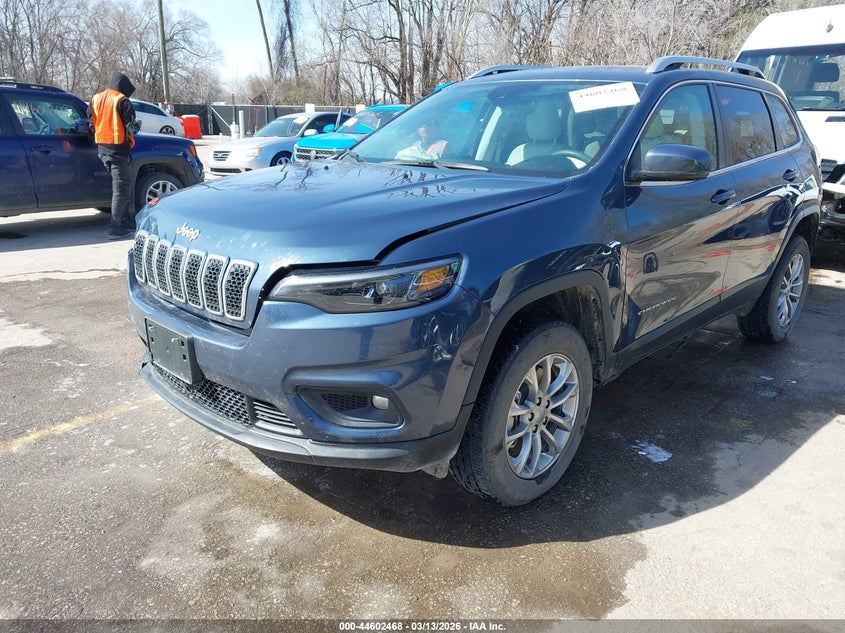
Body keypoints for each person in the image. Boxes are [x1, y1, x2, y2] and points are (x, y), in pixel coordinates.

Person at [89, 72, 140, 240]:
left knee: (121, 187)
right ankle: (115, 228)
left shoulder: (96, 99)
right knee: (122, 188)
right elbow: (132, 128)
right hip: (118, 151)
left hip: (102, 150)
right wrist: (138, 125)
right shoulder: (122, 101)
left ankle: (126, 222)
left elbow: (91, 123)